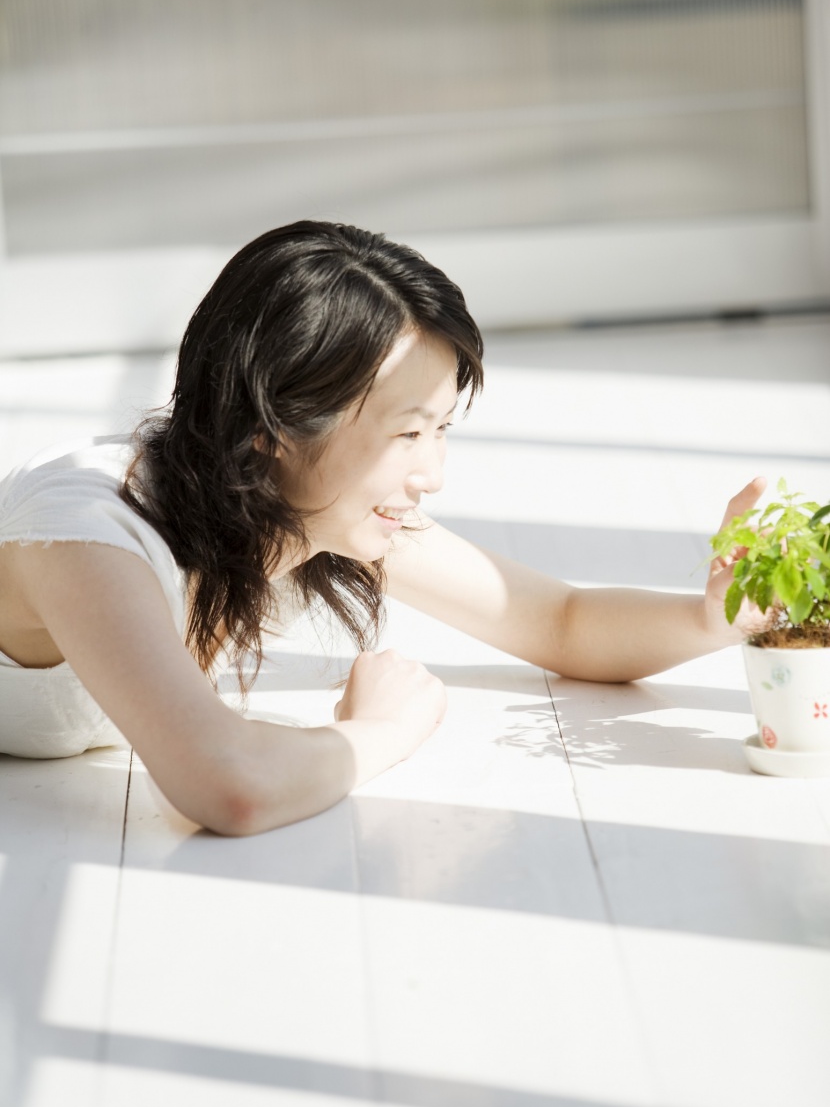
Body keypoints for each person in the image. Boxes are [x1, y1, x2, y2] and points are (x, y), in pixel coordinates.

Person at [0, 220, 764, 836]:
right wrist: (382, 730)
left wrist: (714, 615)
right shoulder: (88, 533)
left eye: (440, 431)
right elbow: (226, 785)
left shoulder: (315, 508)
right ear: (274, 424)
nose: (431, 475)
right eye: (407, 435)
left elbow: (560, 622)